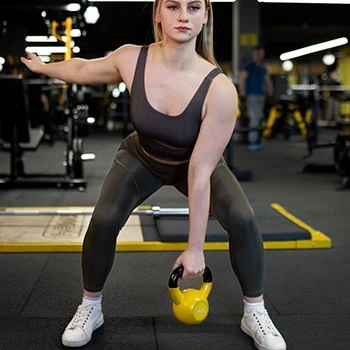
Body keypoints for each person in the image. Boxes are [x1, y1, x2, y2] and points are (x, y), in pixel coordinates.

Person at [21, 1, 286, 349]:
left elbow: (200, 170)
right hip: (141, 157)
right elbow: (85, 68)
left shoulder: (219, 89)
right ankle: (91, 306)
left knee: (243, 219)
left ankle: (255, 311)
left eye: (193, 7)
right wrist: (46, 68)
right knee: (103, 219)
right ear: (157, 13)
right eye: (173, 6)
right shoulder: (132, 58)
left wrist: (195, 248)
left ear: (206, 15)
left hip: (195, 164)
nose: (183, 16)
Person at [239, 46, 274, 151]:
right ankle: (252, 141)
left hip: (261, 95)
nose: (259, 56)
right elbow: (242, 81)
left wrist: (270, 93)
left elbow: (268, 81)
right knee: (254, 117)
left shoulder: (263, 68)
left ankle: (257, 140)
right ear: (253, 54)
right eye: (257, 54)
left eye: (261, 54)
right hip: (251, 95)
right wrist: (243, 95)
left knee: (259, 117)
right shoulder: (248, 66)